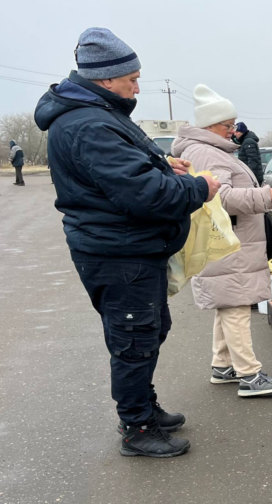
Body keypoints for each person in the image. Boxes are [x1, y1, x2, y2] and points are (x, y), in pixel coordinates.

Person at [34, 27, 221, 459]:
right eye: (132, 78)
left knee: (150, 330)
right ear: (105, 78)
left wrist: (162, 163)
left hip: (129, 250)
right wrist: (199, 186)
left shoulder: (97, 113)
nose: (137, 86)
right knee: (134, 338)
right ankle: (137, 427)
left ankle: (145, 407)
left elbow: (129, 172)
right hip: (119, 253)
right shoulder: (89, 123)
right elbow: (144, 195)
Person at [173, 86, 272, 397]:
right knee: (236, 306)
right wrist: (264, 197)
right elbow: (218, 197)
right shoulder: (205, 152)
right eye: (228, 124)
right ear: (211, 125)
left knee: (228, 304)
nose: (233, 130)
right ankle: (250, 376)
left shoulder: (210, 150)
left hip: (233, 241)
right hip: (231, 243)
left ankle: (222, 366)